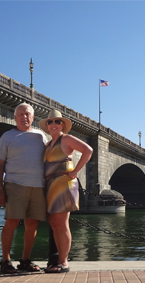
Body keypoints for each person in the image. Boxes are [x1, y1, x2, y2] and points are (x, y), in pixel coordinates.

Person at [0, 103, 47, 274]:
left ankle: (25, 260)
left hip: (38, 186)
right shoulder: (7, 136)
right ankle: (6, 260)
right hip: (15, 184)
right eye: (21, 114)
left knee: (32, 224)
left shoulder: (41, 136)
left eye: (28, 114)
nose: (25, 117)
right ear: (15, 117)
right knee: (12, 222)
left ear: (33, 117)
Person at [39, 110, 93, 273]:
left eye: (57, 121)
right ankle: (57, 260)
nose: (53, 124)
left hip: (64, 183)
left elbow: (88, 150)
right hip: (51, 185)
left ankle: (63, 262)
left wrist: (75, 171)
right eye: (50, 122)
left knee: (61, 223)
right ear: (47, 126)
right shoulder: (48, 144)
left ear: (62, 124)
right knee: (55, 223)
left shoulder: (66, 139)